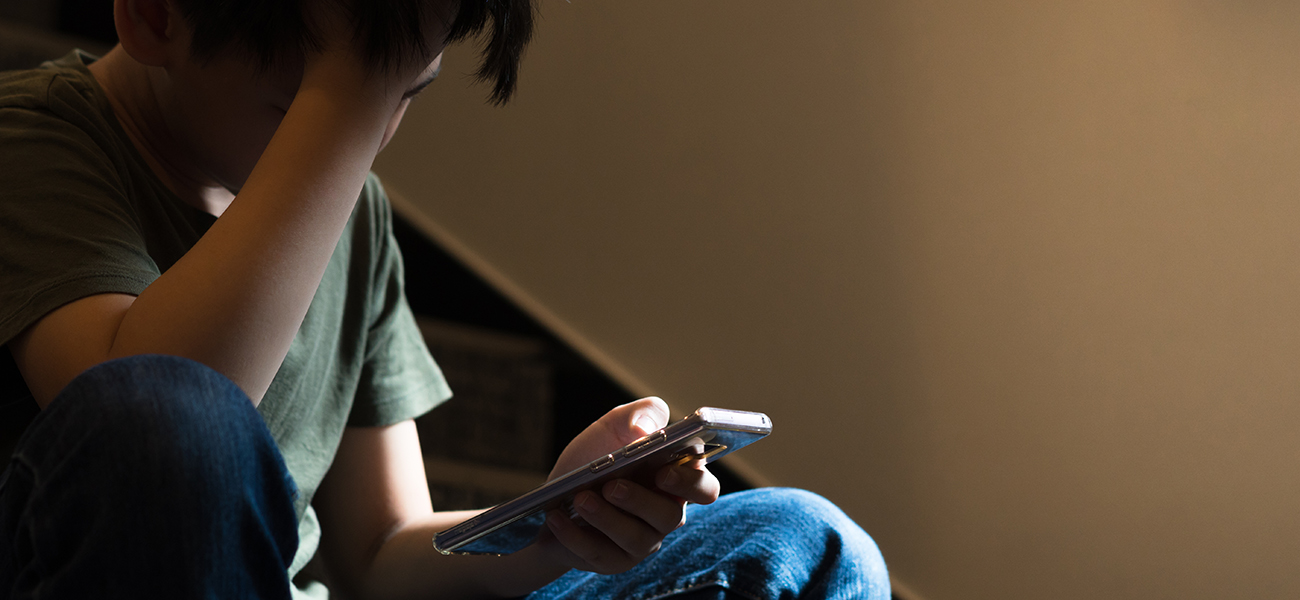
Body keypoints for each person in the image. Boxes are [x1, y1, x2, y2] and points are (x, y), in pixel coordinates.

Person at [0, 0, 890, 598]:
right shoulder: (32, 141)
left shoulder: (358, 214)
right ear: (155, 14)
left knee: (802, 539)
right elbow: (149, 411)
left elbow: (380, 552)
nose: (366, 147)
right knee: (167, 414)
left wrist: (550, 528)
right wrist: (348, 99)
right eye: (308, 109)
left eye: (402, 98)